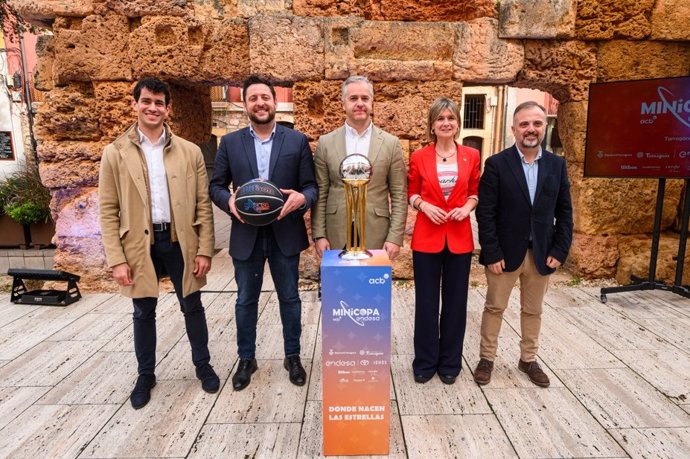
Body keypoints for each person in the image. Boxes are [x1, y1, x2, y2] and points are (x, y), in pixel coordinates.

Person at [99, 77, 220, 409]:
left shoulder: (190, 152)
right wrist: (117, 259)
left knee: (192, 305)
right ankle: (146, 375)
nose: (152, 108)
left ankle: (203, 365)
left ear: (168, 109)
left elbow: (202, 205)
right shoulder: (114, 154)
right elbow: (108, 210)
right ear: (135, 104)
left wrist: (205, 249)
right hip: (139, 244)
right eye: (146, 101)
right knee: (143, 311)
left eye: (159, 103)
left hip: (180, 240)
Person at [209, 75, 317, 391]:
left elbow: (311, 186)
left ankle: (292, 356)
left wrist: (302, 198)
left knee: (290, 298)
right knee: (245, 300)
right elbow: (215, 185)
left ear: (275, 102)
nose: (260, 102)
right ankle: (246, 359)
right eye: (253, 98)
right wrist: (229, 201)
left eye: (265, 97)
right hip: (247, 234)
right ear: (245, 105)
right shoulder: (230, 143)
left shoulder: (295, 141)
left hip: (285, 231)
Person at [473, 101, 573, 388]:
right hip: (504, 255)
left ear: (544, 127)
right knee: (494, 307)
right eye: (525, 124)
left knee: (533, 310)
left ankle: (528, 359)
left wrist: (560, 250)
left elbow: (565, 211)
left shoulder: (557, 165)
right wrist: (491, 250)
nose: (531, 129)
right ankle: (486, 359)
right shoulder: (497, 164)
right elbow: (486, 212)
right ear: (514, 129)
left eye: (537, 124)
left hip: (542, 253)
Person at [407, 98, 480, 385]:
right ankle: (425, 362)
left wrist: (468, 207)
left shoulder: (472, 156)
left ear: (458, 123)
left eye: (451, 117)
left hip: (459, 238)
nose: (446, 122)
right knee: (426, 303)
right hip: (427, 238)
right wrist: (424, 205)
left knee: (455, 303)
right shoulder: (419, 157)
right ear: (432, 125)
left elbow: (474, 191)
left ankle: (450, 362)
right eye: (440, 118)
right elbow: (412, 192)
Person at [311, 75, 407, 260]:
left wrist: (395, 237)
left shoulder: (390, 143)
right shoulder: (326, 143)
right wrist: (319, 234)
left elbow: (399, 194)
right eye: (353, 98)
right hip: (336, 233)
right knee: (338, 288)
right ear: (343, 104)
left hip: (376, 232)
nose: (360, 103)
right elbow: (321, 192)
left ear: (372, 103)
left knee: (372, 288)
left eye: (365, 98)